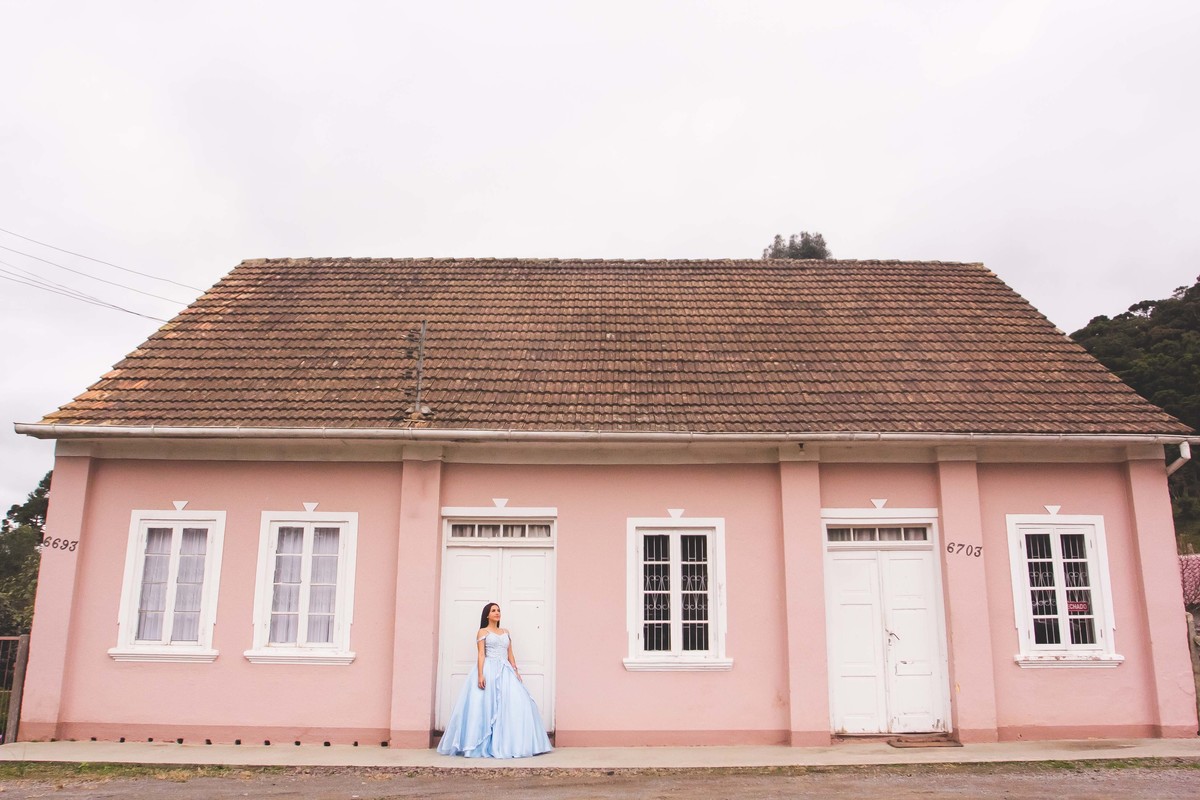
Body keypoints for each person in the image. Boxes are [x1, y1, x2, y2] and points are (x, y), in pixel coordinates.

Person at [436, 602, 553, 758]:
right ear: (487, 615)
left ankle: (512, 744)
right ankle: (482, 743)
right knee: (484, 706)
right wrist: (480, 674)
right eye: (493, 610)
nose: (497, 613)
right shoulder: (482, 632)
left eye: (498, 610)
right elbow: (481, 654)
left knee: (519, 702)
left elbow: (510, 653)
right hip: (488, 669)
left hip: (506, 670)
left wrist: (516, 671)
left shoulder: (506, 632)